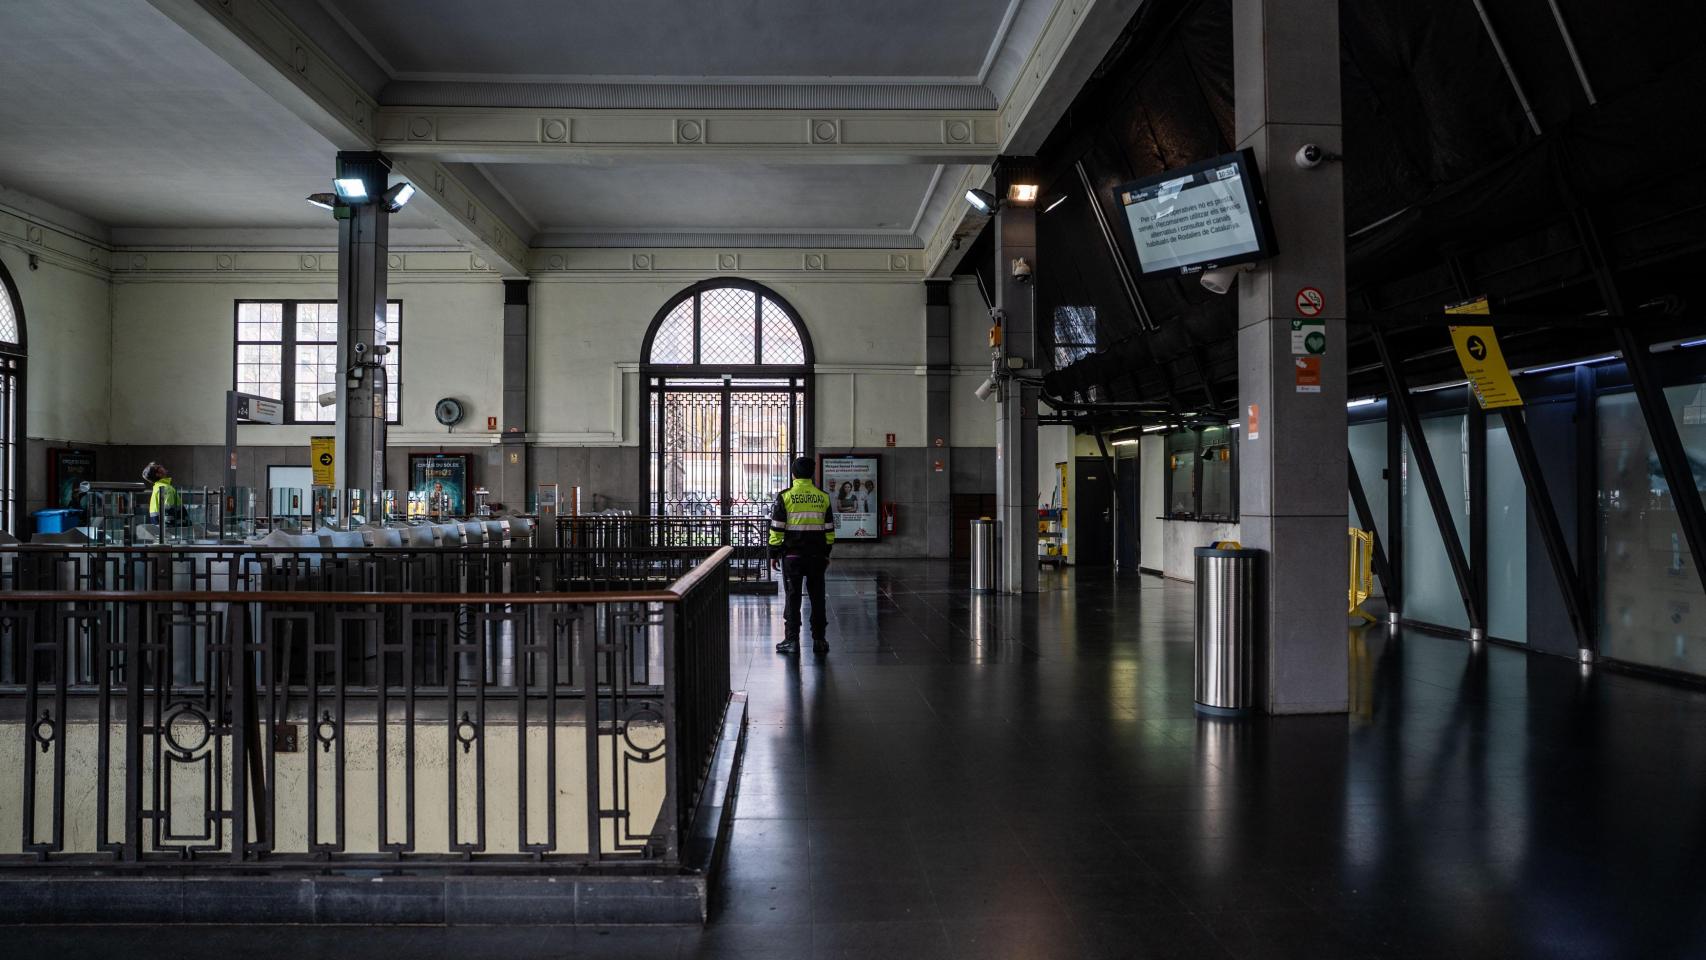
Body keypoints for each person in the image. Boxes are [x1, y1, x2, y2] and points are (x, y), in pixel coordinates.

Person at [769, 457, 835, 655]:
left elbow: (777, 529)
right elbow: (829, 530)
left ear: (793, 474)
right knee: (817, 597)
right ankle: (819, 640)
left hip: (792, 557)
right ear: (812, 474)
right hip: (816, 557)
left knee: (793, 597)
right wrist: (826, 553)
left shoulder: (786, 496)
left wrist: (773, 553)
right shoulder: (822, 497)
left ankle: (792, 640)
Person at [143, 462, 182, 526]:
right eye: (158, 467)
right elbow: (169, 515)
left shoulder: (156, 487)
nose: (161, 465)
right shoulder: (166, 488)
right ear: (158, 474)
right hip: (172, 530)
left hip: (160, 530)